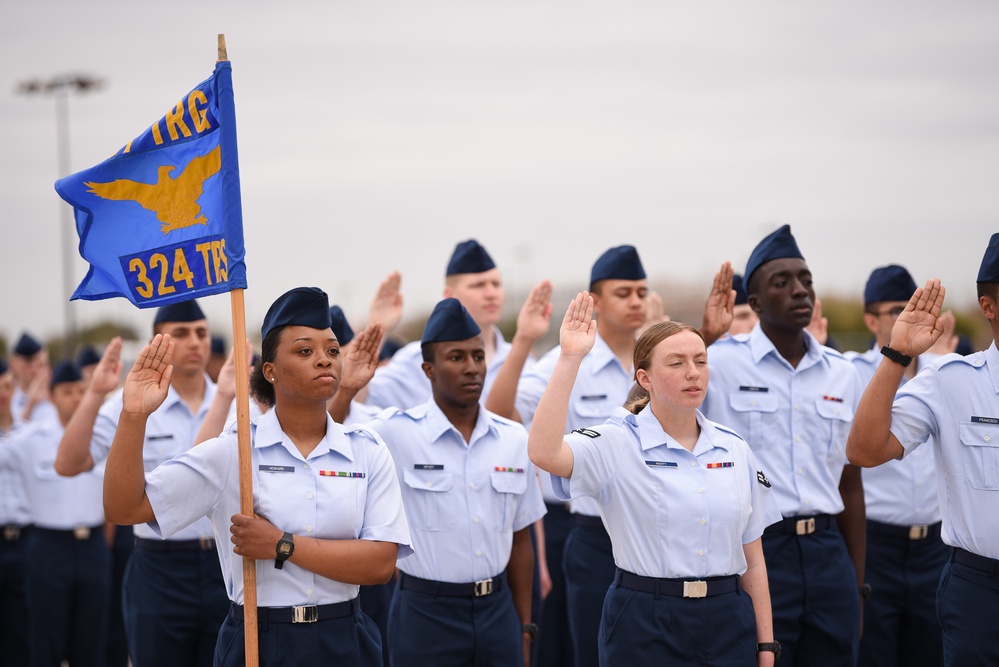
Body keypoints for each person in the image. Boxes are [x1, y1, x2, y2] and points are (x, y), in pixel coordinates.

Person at [102, 286, 413, 666]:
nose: (324, 360)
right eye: (305, 351)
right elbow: (125, 507)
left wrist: (282, 545)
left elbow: (380, 564)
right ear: (270, 371)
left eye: (332, 351)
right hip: (261, 639)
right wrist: (133, 415)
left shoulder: (366, 449)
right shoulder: (235, 452)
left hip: (345, 637)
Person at [528, 292, 781, 665]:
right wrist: (569, 358)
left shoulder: (734, 449)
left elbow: (754, 560)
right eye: (676, 363)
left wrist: (766, 647)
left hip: (728, 620)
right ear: (644, 378)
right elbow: (544, 453)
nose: (693, 372)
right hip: (645, 620)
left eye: (700, 361)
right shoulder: (616, 442)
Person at [701, 225, 867, 666]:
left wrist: (857, 581)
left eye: (806, 281)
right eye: (783, 283)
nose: (800, 291)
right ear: (753, 304)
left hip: (828, 552)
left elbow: (850, 483)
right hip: (755, 553)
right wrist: (703, 337)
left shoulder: (842, 373)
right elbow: (647, 406)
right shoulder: (719, 363)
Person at [365, 298, 546, 667]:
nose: (472, 368)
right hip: (425, 614)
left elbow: (521, 537)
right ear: (428, 369)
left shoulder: (513, 439)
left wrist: (524, 626)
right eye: (456, 357)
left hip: (498, 611)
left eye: (478, 357)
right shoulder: (395, 432)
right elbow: (330, 438)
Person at [846, 233, 999, 667]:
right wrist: (897, 354)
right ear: (989, 307)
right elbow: (864, 450)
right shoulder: (952, 381)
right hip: (980, 587)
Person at [55, 300, 229, 667]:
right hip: (160, 568)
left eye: (201, 332)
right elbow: (69, 463)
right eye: (181, 334)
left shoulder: (235, 401)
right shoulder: (131, 402)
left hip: (224, 563)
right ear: (157, 341)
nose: (195, 342)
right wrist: (95, 392)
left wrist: (229, 397)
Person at [844, 265, 947, 667]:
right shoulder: (850, 373)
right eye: (895, 311)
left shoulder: (944, 372)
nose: (908, 317)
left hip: (936, 549)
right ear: (871, 320)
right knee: (874, 654)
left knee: (932, 654)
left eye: (913, 307)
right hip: (878, 546)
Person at [0, 360, 111, 667]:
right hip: (48, 548)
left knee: (91, 643)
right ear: (51, 396)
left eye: (80, 390)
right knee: (44, 642)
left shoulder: (103, 435)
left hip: (92, 546)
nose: (76, 398)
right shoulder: (31, 441)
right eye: (67, 392)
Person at [363, 239, 541, 410]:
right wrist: (378, 330)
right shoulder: (415, 360)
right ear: (449, 295)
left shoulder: (523, 362)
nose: (491, 293)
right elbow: (358, 401)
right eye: (478, 285)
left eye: (496, 284)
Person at [0, 356, 31, 664]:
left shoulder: (29, 432)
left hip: (23, 539)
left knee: (22, 629)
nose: (3, 392)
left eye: (7, 385)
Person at [9, 332, 58, 425]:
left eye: (42, 364)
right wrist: (30, 404)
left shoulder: (57, 395)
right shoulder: (8, 399)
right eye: (28, 364)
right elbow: (9, 434)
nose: (35, 370)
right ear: (13, 365)